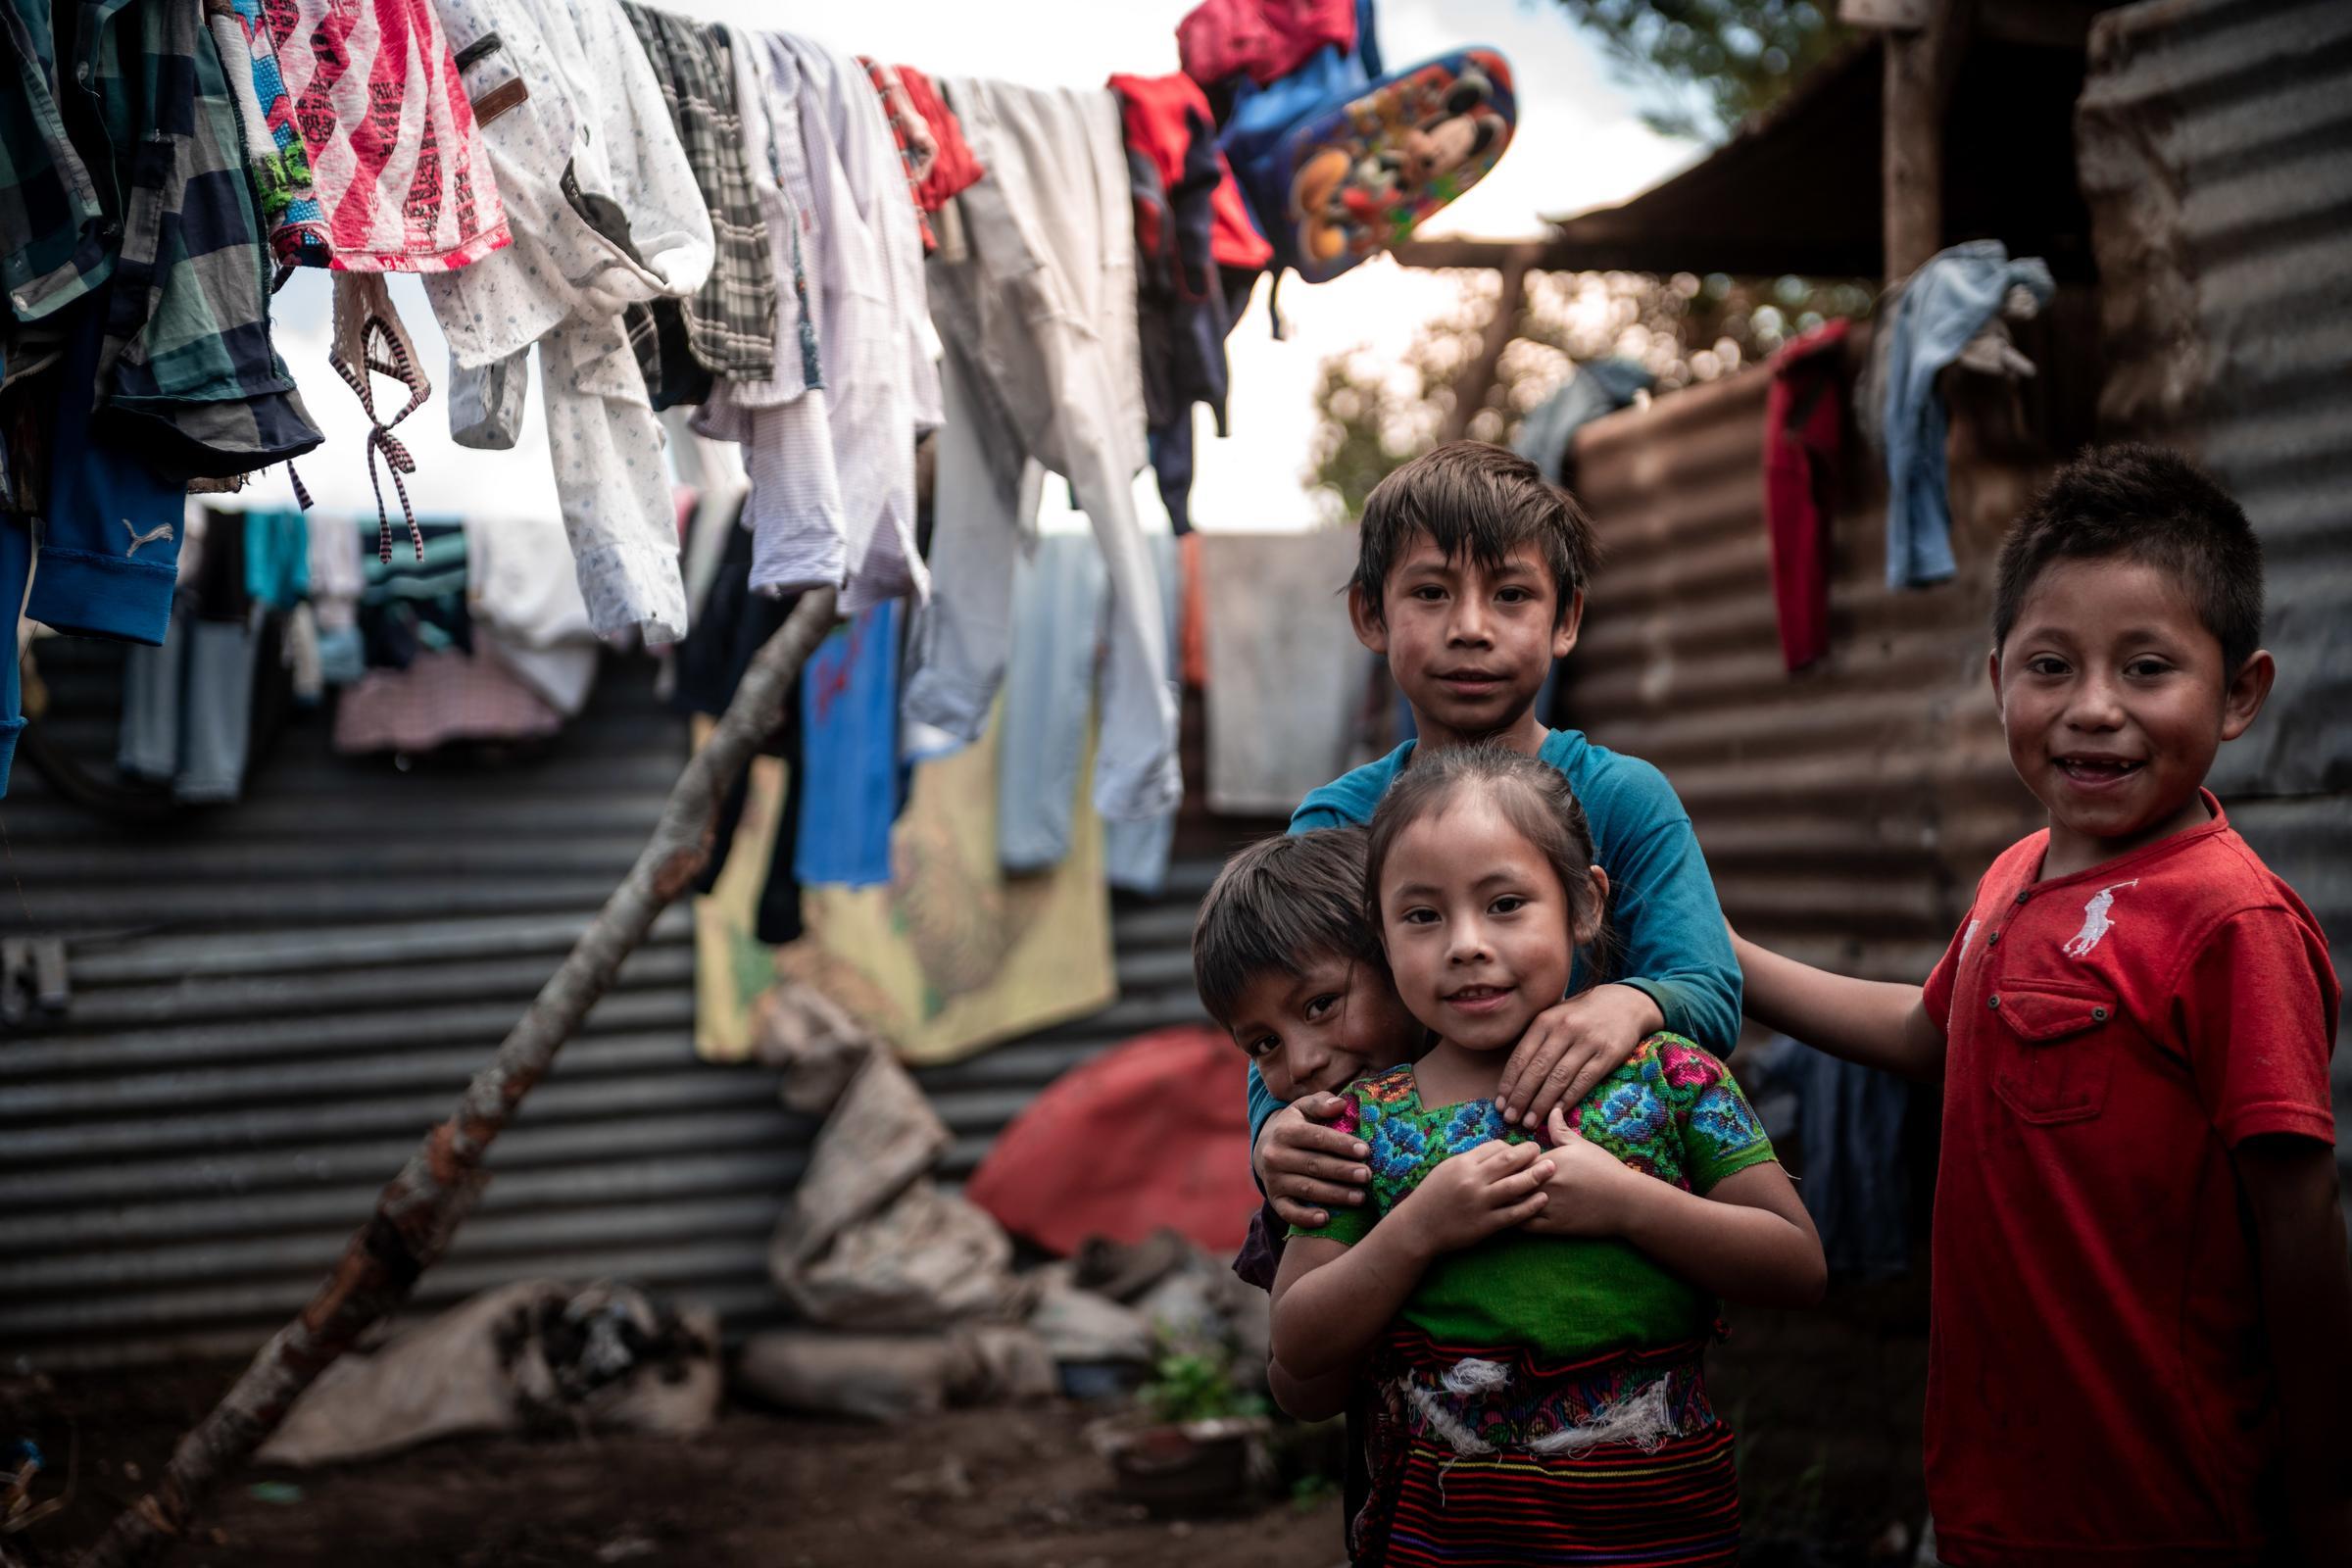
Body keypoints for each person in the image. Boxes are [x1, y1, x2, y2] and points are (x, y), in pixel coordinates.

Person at [1734, 444, 2350, 1566]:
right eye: (2052, 666)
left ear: (2241, 693)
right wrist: (1721, 957)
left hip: (2162, 1508)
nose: (2093, 708)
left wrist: (2324, 1500)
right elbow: (1928, 1034)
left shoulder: (2233, 924)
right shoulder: (2017, 873)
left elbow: (2301, 1227)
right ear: (1998, 681)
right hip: (1993, 1487)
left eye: (2147, 668)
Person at [1274, 744, 1824, 1567]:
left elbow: (1797, 1266)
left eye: (1504, 904)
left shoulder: (1671, 1078)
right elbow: (1297, 1344)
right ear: (1380, 935)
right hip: (1447, 1540)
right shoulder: (1363, 1124)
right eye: (1422, 916)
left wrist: (1629, 1204)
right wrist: (1418, 1229)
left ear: (1584, 904)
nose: (1465, 944)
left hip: (1660, 1533)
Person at [1253, 441, 1740, 1235]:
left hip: (1602, 1201)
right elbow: (1276, 1009)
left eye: (1511, 595)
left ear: (1566, 619)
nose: (1471, 628)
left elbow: (1710, 988)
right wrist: (1274, 1132)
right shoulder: (1339, 822)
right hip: (1394, 1209)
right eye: (1431, 593)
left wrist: (1630, 1002)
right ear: (1372, 615)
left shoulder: (1624, 798)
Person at [1191, 825, 1425, 1420]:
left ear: (1398, 959)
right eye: (1264, 1044)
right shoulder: (1318, 1179)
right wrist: (1408, 1238)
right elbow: (1302, 1391)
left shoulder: (1523, 1095)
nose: (1301, 1064)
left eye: (1320, 1006)